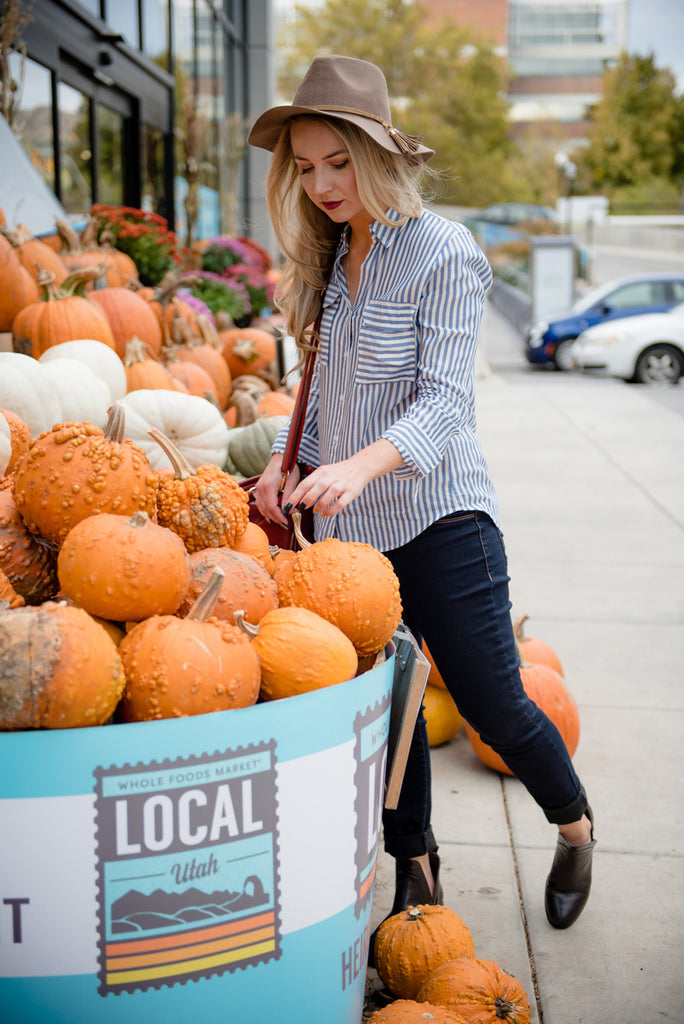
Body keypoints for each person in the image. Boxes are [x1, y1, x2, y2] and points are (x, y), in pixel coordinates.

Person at [247, 55, 596, 948]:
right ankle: (417, 864)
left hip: (441, 520)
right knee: (393, 706)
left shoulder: (445, 251)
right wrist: (288, 463)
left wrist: (359, 468)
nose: (322, 184)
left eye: (338, 162)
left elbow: (445, 402)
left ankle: (574, 829)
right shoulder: (329, 256)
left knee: (493, 704)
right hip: (348, 537)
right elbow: (326, 396)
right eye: (305, 167)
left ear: (380, 154)